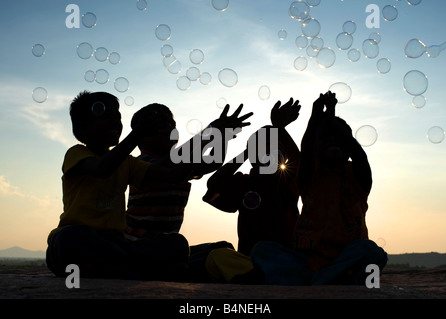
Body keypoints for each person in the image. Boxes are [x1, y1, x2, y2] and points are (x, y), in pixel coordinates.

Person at [45, 91, 250, 281]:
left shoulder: (129, 163)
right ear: (81, 128)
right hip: (79, 243)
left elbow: (181, 170)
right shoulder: (78, 154)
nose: (115, 119)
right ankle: (148, 270)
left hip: (119, 248)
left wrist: (219, 134)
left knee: (177, 243)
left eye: (117, 115)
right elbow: (102, 168)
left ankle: (129, 270)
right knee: (70, 237)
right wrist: (138, 133)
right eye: (105, 115)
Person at [251, 92, 388, 285]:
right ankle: (330, 278)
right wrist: (315, 117)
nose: (333, 141)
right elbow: (306, 148)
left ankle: (316, 279)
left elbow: (360, 156)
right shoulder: (308, 175)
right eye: (325, 138)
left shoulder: (357, 175)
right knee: (262, 250)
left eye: (338, 137)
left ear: (348, 145)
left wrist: (330, 116)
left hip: (346, 256)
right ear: (316, 149)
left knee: (372, 252)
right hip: (309, 260)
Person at [125, 102, 253, 281]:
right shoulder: (142, 163)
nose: (168, 126)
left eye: (171, 122)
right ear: (140, 136)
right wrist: (212, 131)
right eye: (160, 123)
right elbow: (170, 166)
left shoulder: (180, 165)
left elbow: (213, 162)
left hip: (169, 248)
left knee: (222, 247)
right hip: (137, 247)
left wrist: (223, 136)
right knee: (176, 244)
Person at [202, 98, 301, 283]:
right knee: (217, 255)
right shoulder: (245, 183)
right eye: (260, 147)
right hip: (249, 261)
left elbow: (302, 164)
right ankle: (266, 275)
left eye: (272, 147)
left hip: (284, 256)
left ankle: (268, 275)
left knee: (266, 251)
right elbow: (214, 184)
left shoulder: (286, 180)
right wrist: (246, 153)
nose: (266, 152)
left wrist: (279, 128)